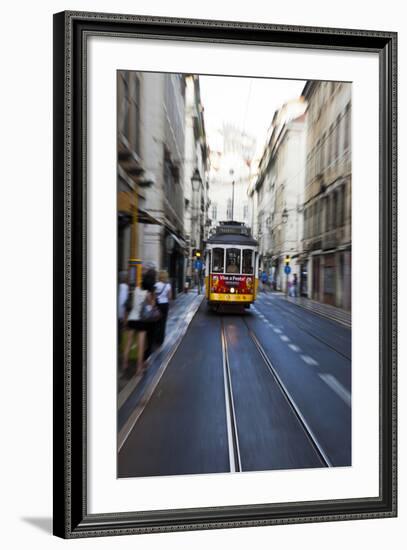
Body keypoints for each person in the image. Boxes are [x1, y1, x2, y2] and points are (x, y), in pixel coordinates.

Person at [122, 268, 157, 377]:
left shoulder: (136, 289)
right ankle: (138, 369)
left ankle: (125, 364)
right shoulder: (148, 293)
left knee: (128, 343)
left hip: (132, 318)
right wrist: (153, 298)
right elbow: (151, 306)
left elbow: (131, 304)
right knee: (141, 346)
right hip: (142, 321)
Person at [155, 270, 173, 347]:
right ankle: (161, 340)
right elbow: (170, 297)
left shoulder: (156, 285)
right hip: (165, 305)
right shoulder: (168, 286)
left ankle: (155, 338)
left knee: (156, 321)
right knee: (163, 322)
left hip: (157, 304)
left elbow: (154, 295)